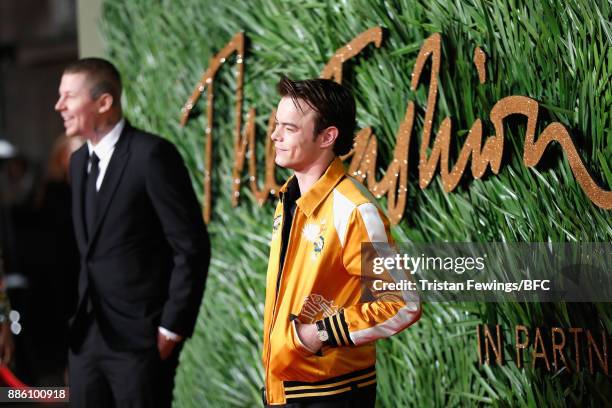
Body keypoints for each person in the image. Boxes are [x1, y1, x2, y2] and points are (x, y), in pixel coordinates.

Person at [55, 58, 210, 407]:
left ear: (104, 102)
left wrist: (172, 326)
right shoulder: (78, 164)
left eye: (68, 96)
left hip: (141, 339)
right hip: (88, 339)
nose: (59, 106)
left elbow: (191, 246)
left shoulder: (151, 155)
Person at [262, 77, 421, 407]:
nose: (275, 135)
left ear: (327, 136)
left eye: (288, 128)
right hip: (286, 390)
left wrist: (317, 334)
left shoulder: (353, 210)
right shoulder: (288, 200)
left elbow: (403, 302)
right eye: (277, 124)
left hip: (332, 394)